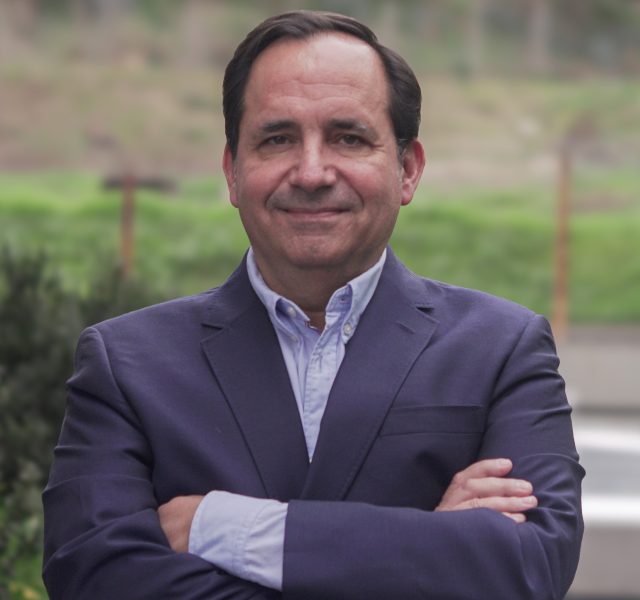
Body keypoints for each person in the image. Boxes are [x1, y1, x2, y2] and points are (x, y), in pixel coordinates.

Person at [42, 11, 583, 600]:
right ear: (232, 171)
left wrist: (223, 526)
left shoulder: (501, 349)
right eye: (277, 139)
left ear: (407, 169)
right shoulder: (125, 364)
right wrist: (429, 542)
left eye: (348, 138)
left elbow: (530, 567)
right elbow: (92, 576)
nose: (312, 172)